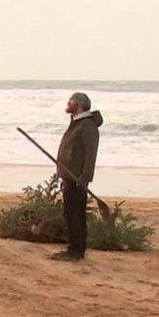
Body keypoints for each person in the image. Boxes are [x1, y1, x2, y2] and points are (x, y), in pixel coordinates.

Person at [53, 92, 103, 262]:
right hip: (70, 176)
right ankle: (76, 249)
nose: (68, 102)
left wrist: (85, 177)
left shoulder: (87, 126)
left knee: (72, 213)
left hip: (77, 178)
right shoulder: (76, 123)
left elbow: (91, 155)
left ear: (80, 104)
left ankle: (75, 251)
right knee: (74, 213)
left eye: (71, 100)